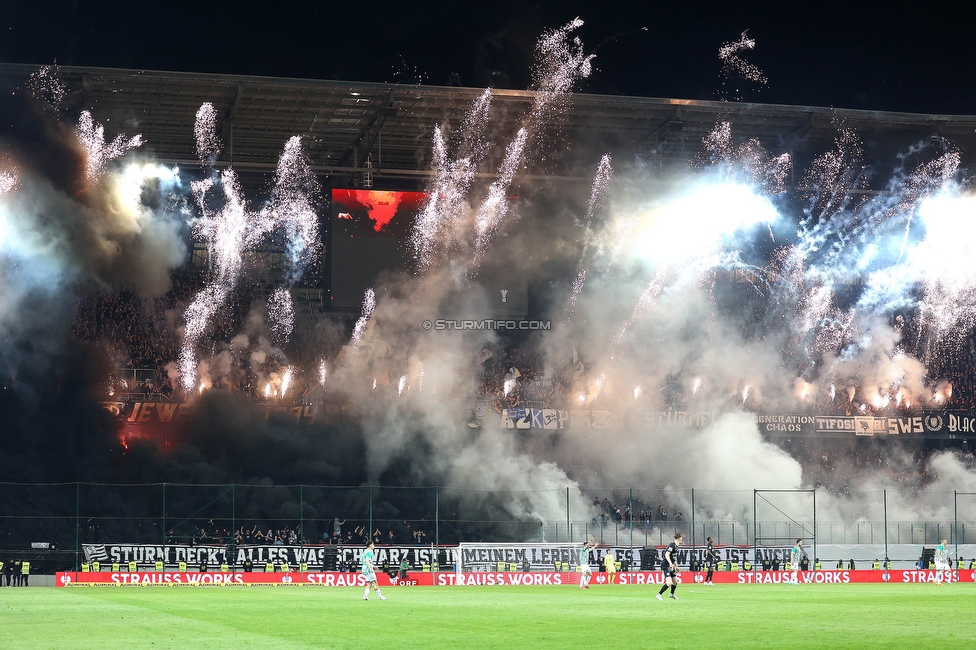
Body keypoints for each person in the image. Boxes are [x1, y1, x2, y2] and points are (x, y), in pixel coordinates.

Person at [656, 532, 682, 601]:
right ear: (679, 538)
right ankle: (659, 594)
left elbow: (673, 558)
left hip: (671, 566)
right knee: (669, 583)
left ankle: (672, 594)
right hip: (666, 565)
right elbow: (667, 554)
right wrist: (670, 563)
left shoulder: (677, 547)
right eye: (681, 538)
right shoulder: (672, 545)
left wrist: (676, 566)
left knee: (675, 582)